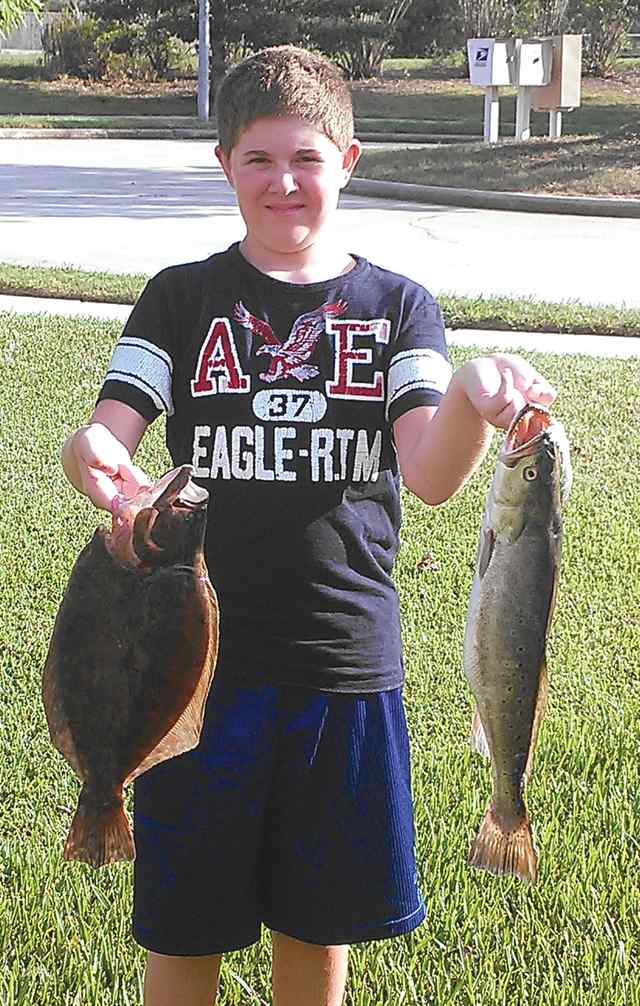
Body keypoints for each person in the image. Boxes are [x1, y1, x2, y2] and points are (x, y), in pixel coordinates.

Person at [61, 45, 556, 1006]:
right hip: (189, 672)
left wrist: (468, 391)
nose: (284, 182)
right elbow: (109, 429)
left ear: (350, 161)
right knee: (183, 933)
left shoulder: (397, 307)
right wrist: (93, 457)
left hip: (343, 667)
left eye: (307, 160)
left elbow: (433, 474)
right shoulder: (179, 297)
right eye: (258, 160)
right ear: (224, 166)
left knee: (317, 930)